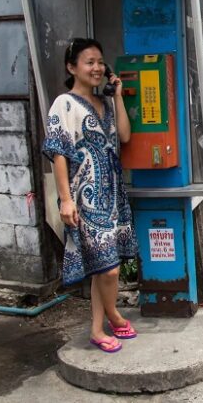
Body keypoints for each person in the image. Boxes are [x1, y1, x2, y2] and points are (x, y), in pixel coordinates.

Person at [43, 38, 137, 353]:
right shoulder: (64, 104)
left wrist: (118, 95)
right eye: (89, 62)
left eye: (100, 61)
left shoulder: (105, 102)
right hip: (85, 198)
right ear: (72, 67)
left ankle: (98, 329)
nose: (96, 68)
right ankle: (113, 314)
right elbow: (58, 152)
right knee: (107, 268)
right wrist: (65, 199)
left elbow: (124, 135)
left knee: (104, 266)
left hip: (113, 195)